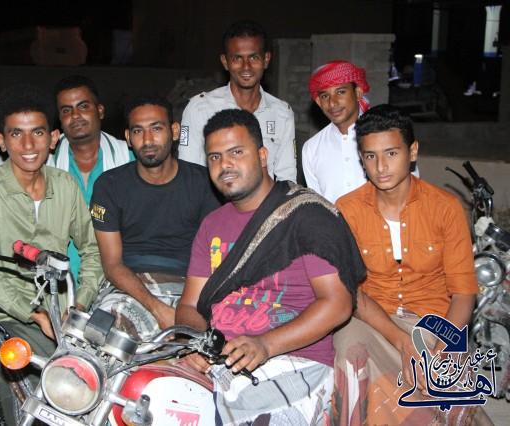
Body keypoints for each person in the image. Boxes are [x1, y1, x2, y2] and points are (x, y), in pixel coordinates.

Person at [176, 109, 365, 425]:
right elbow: (190, 305)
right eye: (214, 157)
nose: (225, 165)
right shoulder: (212, 224)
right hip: (217, 360)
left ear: (262, 156)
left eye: (237, 152)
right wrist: (195, 345)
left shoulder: (308, 216)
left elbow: (338, 304)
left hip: (293, 361)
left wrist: (266, 344)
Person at [0, 84, 104, 423]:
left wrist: (80, 305)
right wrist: (38, 314)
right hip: (7, 311)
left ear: (53, 138)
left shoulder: (65, 185)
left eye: (38, 133)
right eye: (17, 134)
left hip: (63, 311)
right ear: (1, 140)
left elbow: (93, 249)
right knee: (37, 375)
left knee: (110, 369)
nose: (28, 146)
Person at [333, 105, 482, 425]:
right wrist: (401, 341)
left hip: (432, 325)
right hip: (372, 321)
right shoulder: (347, 210)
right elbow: (351, 293)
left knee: (443, 393)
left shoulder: (445, 207)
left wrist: (443, 351)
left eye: (391, 153)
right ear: (361, 159)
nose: (381, 166)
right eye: (370, 156)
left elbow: (463, 292)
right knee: (350, 353)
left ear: (412, 152)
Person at [89, 95, 220, 339]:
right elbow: (112, 265)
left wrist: (185, 310)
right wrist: (158, 309)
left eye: (156, 128)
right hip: (129, 286)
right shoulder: (109, 186)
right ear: (128, 138)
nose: (148, 140)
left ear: (174, 131)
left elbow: (215, 259)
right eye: (138, 131)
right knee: (99, 336)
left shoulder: (205, 184)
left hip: (190, 286)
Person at [178, 19, 297, 183]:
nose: (246, 67)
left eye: (254, 57)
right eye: (237, 58)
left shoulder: (282, 113)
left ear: (266, 60)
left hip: (267, 200)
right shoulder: (200, 108)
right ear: (225, 62)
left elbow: (287, 178)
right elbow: (188, 174)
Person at [48, 75, 134, 283]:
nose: (75, 116)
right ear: (60, 119)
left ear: (100, 111)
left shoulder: (129, 158)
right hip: (59, 283)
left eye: (83, 106)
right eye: (66, 110)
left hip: (118, 282)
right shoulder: (45, 162)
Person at [302, 60, 419, 204]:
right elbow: (317, 206)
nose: (332, 103)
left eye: (341, 92)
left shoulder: (387, 134)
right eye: (325, 96)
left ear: (358, 93)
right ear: (319, 102)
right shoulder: (311, 148)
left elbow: (412, 189)